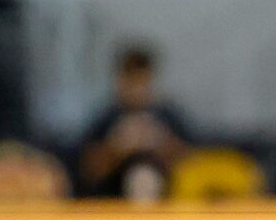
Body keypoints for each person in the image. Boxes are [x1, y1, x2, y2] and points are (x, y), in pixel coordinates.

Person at [76, 47, 192, 201]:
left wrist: (159, 143)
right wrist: (118, 148)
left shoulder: (167, 115)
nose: (136, 88)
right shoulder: (107, 117)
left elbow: (190, 162)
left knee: (144, 177)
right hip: (114, 201)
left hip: (164, 201)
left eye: (141, 80)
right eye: (131, 79)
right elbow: (88, 170)